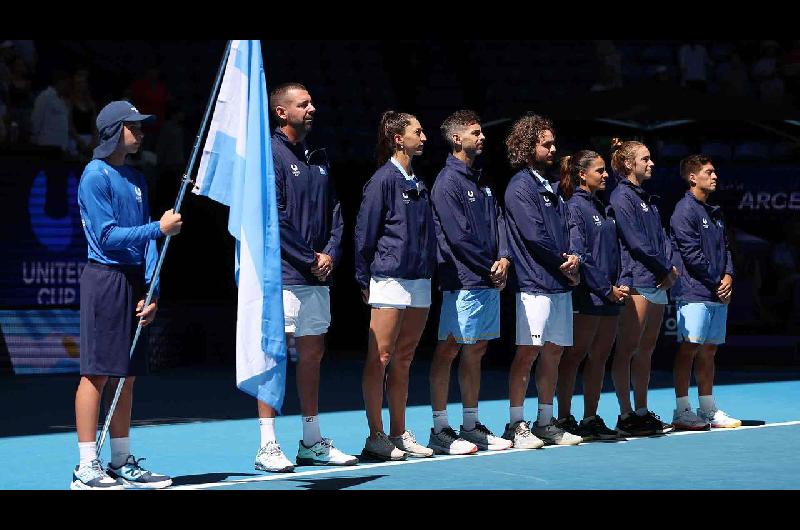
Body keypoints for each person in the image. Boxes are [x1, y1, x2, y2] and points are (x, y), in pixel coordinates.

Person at [72, 100, 182, 489]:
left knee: (127, 376)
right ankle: (86, 466)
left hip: (135, 282)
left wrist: (152, 289)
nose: (141, 130)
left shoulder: (137, 179)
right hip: (105, 280)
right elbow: (106, 236)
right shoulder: (93, 175)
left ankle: (120, 461)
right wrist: (158, 228)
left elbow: (150, 243)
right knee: (97, 374)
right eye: (133, 125)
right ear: (114, 131)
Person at [254, 82, 357, 473]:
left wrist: (329, 253)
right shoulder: (271, 155)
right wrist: (308, 256)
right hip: (283, 274)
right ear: (282, 112)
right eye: (304, 103)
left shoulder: (318, 156)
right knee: (274, 357)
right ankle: (267, 444)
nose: (312, 108)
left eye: (312, 101)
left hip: (317, 275)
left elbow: (335, 210)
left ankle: (311, 441)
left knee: (312, 355)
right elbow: (275, 217)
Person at [427, 110, 513, 455]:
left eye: (482, 131)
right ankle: (439, 428)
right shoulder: (446, 182)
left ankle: (470, 425)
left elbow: (500, 221)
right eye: (475, 133)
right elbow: (457, 237)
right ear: (456, 139)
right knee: (448, 350)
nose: (482, 137)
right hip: (461, 280)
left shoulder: (483, 180)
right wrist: (491, 266)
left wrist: (504, 257)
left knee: (477, 349)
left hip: (488, 278)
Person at [354, 110, 437, 461]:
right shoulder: (382, 180)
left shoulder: (418, 181)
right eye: (418, 131)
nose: (424, 137)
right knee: (381, 357)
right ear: (398, 139)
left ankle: (399, 433)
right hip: (388, 279)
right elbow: (365, 233)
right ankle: (376, 436)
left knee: (404, 359)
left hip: (420, 281)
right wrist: (363, 278)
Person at [502, 114, 582, 447]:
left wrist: (576, 255)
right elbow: (534, 236)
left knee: (553, 354)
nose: (553, 149)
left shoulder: (550, 185)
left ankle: (545, 422)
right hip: (534, 284)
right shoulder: (520, 186)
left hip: (560, 284)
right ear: (527, 146)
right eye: (545, 144)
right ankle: (516, 424)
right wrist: (565, 262)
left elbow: (570, 225)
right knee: (528, 353)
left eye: (553, 143)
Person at [555, 151, 629, 441]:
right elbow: (580, 254)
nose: (606, 174)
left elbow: (615, 253)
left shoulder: (603, 207)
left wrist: (618, 284)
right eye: (599, 170)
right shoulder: (574, 207)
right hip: (588, 297)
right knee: (574, 357)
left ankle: (590, 418)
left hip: (610, 296)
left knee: (599, 357)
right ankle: (563, 417)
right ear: (582, 174)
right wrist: (605, 289)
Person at [608, 138, 678, 436]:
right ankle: (625, 416)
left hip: (658, 281)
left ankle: (641, 410)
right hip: (637, 280)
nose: (651, 164)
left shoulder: (647, 198)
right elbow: (635, 243)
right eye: (645, 159)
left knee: (646, 350)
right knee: (627, 350)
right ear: (628, 164)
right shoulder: (620, 197)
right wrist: (665, 269)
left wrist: (671, 270)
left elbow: (663, 239)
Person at [669, 155, 740, 430]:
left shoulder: (716, 212)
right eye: (709, 172)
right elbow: (691, 255)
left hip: (716, 292)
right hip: (693, 292)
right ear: (692, 178)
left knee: (709, 351)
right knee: (689, 349)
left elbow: (726, 250)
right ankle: (682, 411)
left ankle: (708, 409)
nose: (715, 177)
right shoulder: (683, 211)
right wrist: (717, 282)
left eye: (714, 172)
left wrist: (729, 276)